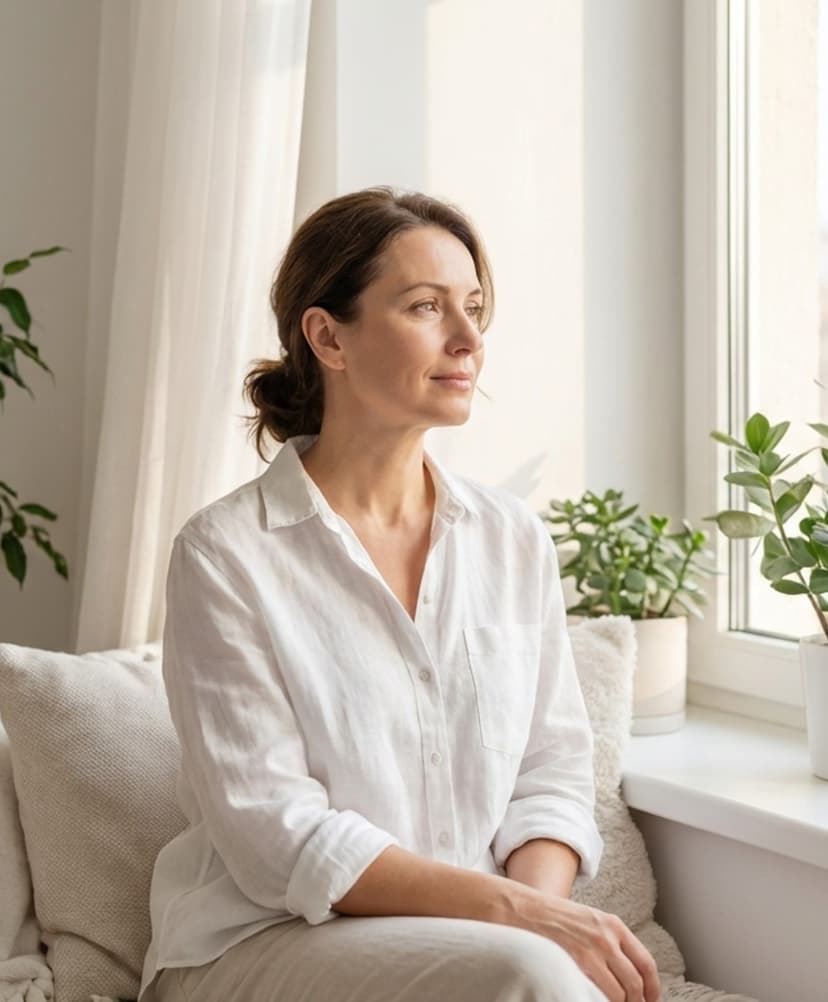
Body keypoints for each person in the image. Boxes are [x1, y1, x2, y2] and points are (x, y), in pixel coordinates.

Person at [138, 187, 661, 1002]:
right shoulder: (225, 556)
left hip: (480, 944)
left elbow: (551, 776)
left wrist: (535, 919)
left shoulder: (511, 540)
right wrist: (522, 927)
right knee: (529, 974)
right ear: (328, 337)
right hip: (262, 943)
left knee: (531, 970)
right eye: (426, 307)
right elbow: (277, 836)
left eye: (475, 308)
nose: (468, 340)